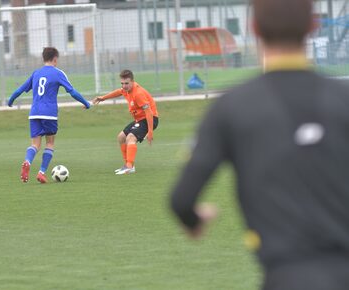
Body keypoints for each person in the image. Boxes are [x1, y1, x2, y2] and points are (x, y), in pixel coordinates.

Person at [170, 0, 349, 289]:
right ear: (313, 26)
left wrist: (193, 220)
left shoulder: (232, 106)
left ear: (254, 28)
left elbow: (181, 200)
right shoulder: (344, 98)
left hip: (285, 276)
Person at [8, 47, 91, 183]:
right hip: (50, 114)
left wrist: (10, 100)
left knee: (35, 144)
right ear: (55, 59)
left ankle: (27, 161)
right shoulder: (58, 73)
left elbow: (20, 90)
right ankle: (41, 172)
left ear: (43, 58)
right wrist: (86, 103)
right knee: (50, 143)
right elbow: (72, 92)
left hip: (34, 113)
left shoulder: (36, 73)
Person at [92, 70, 159, 175]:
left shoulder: (138, 94)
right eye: (122, 83)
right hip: (140, 119)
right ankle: (128, 165)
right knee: (121, 137)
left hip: (149, 119)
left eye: (126, 83)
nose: (124, 86)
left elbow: (149, 112)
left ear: (132, 81)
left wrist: (150, 131)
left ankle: (129, 167)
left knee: (130, 138)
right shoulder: (126, 90)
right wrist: (103, 98)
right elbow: (118, 92)